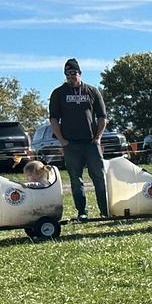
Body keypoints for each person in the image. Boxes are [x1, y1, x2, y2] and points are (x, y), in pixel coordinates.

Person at [49, 59, 108, 219]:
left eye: (73, 74)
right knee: (76, 180)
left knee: (99, 177)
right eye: (67, 75)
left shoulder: (92, 91)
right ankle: (82, 212)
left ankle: (105, 211)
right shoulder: (58, 93)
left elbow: (102, 116)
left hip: (91, 143)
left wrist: (98, 138)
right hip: (71, 144)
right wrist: (62, 141)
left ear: (79, 73)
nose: (70, 77)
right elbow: (53, 119)